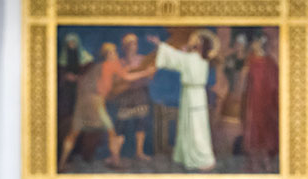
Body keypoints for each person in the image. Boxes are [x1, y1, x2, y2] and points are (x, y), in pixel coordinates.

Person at [58, 42, 154, 171]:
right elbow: (126, 77)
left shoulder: (98, 66)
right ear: (109, 54)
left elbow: (86, 80)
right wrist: (145, 72)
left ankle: (61, 164)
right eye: (113, 52)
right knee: (111, 132)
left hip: (82, 102)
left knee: (73, 133)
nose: (116, 54)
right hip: (95, 102)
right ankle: (115, 161)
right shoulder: (112, 64)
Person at [147, 31, 218, 171]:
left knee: (196, 127)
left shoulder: (192, 59)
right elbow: (179, 58)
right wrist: (184, 52)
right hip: (193, 94)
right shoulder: (201, 59)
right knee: (190, 125)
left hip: (193, 95)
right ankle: (187, 156)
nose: (192, 42)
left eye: (196, 41)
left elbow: (174, 57)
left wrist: (159, 44)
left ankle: (203, 159)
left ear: (200, 45)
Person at [241, 32, 280, 171]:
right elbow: (245, 81)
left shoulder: (270, 62)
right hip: (253, 101)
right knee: (252, 130)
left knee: (265, 130)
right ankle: (253, 162)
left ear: (260, 44)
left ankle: (266, 162)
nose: (253, 45)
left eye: (255, 42)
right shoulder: (250, 60)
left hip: (266, 101)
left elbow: (276, 83)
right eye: (253, 43)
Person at [113, 34, 154, 162]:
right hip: (125, 95)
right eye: (129, 44)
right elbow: (120, 79)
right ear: (124, 47)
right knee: (121, 126)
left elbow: (150, 75)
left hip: (140, 94)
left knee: (141, 123)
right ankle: (116, 156)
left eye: (134, 44)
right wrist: (140, 73)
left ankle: (139, 153)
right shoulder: (120, 62)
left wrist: (150, 72)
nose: (131, 47)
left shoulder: (143, 59)